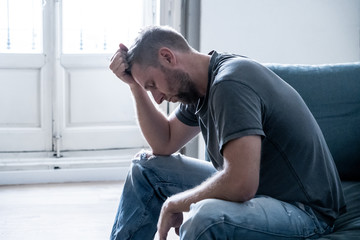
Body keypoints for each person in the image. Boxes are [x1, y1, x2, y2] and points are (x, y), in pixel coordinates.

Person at [108, 25, 346, 240]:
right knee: (147, 170)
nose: (157, 98)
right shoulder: (201, 86)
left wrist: (174, 203)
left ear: (168, 57)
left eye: (152, 85)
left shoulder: (230, 84)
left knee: (204, 218)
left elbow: (241, 183)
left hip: (306, 212)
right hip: (262, 193)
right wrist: (135, 87)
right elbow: (165, 142)